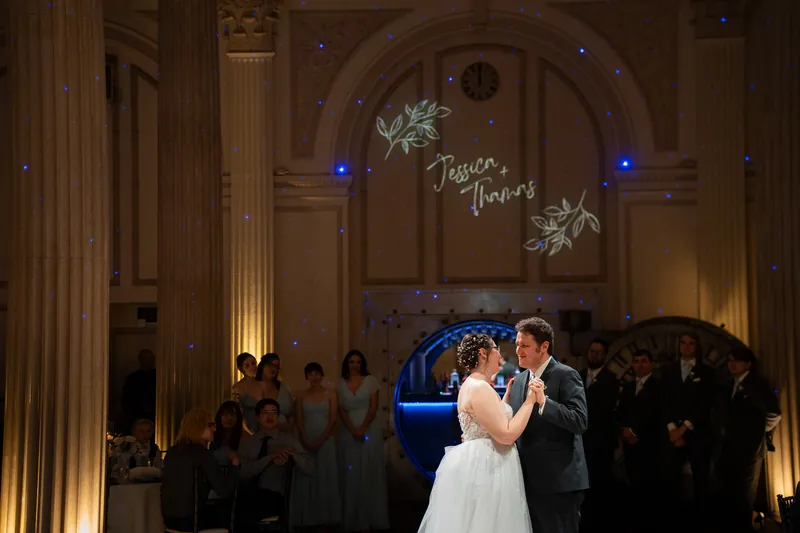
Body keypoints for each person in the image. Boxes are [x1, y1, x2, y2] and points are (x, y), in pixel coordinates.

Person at [417, 333, 542, 533]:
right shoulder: (480, 387)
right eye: (495, 348)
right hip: (489, 466)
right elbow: (506, 435)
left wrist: (506, 398)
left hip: (477, 460)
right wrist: (530, 401)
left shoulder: (469, 385)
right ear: (484, 353)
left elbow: (487, 421)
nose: (499, 354)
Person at [507, 317, 589, 533]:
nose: (518, 351)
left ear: (544, 346)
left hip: (559, 483)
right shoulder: (517, 383)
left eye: (524, 345)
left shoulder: (566, 375)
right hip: (525, 482)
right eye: (517, 344)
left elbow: (580, 421)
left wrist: (544, 402)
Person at [160, 408, 239, 531]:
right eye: (210, 425)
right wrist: (234, 465)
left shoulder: (172, 451)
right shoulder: (203, 454)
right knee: (240, 513)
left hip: (169, 520)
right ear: (197, 426)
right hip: (192, 520)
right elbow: (225, 491)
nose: (215, 429)